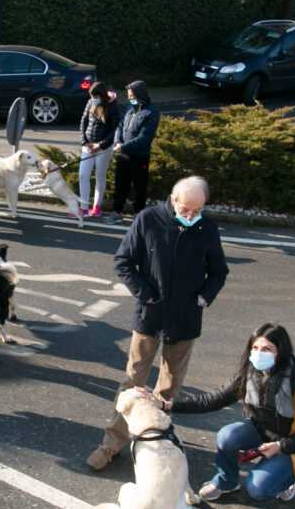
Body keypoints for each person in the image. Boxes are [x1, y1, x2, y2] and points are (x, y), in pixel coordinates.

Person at [88, 176, 229, 470]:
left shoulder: (208, 228)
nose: (191, 216)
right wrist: (146, 295)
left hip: (186, 319)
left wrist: (204, 297)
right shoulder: (148, 219)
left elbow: (218, 271)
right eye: (186, 210)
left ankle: (156, 440)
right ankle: (111, 444)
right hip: (150, 315)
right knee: (132, 382)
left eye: (198, 211)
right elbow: (123, 262)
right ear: (173, 200)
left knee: (169, 388)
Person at [154, 323, 295, 502]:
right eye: (255, 347)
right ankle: (227, 481)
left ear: (281, 352)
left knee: (258, 489)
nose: (259, 353)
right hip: (262, 429)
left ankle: (286, 481)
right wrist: (166, 405)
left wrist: (282, 446)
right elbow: (211, 400)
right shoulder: (249, 375)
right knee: (227, 436)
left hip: (291, 442)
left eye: (267, 349)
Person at [106, 81, 159, 225]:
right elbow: (120, 126)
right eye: (129, 96)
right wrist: (117, 142)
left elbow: (145, 138)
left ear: (139, 94)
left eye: (132, 96)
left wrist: (124, 147)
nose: (130, 99)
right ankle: (117, 212)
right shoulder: (130, 108)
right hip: (123, 155)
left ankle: (138, 214)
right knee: (120, 185)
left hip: (139, 156)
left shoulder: (151, 112)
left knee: (139, 187)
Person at [77, 81, 121, 218]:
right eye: (91, 97)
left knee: (99, 176)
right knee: (83, 175)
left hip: (104, 147)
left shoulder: (113, 105)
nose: (93, 99)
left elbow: (115, 129)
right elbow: (83, 121)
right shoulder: (90, 102)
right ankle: (83, 207)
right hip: (88, 146)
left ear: (102, 95)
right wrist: (85, 142)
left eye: (95, 97)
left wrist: (100, 145)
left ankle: (97, 206)